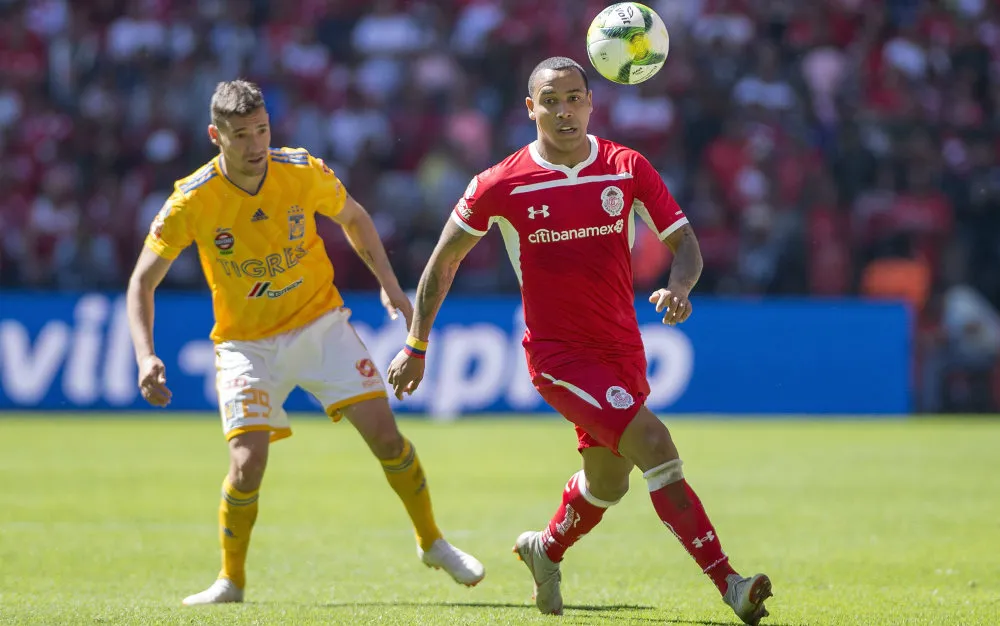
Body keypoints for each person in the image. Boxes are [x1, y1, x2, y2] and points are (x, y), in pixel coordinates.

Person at [387, 57, 773, 625]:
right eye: (551, 100)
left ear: (592, 102)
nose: (564, 111)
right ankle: (731, 583)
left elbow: (685, 242)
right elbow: (441, 265)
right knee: (656, 446)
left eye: (574, 98)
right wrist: (416, 344)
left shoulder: (626, 167)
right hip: (559, 357)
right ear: (530, 108)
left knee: (607, 481)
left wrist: (679, 286)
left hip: (623, 349)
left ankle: (545, 550)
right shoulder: (502, 183)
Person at [126, 79, 484, 606]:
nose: (255, 145)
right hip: (245, 346)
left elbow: (355, 219)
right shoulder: (192, 200)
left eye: (262, 130)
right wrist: (145, 355)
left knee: (388, 440)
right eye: (242, 134)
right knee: (246, 466)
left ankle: (432, 541)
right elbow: (142, 282)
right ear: (215, 135)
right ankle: (231, 581)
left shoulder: (299, 171)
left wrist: (390, 289)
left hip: (321, 326)